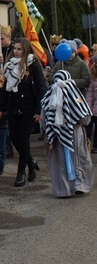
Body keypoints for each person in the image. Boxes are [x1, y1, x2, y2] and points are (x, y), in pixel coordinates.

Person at [41, 69, 93, 197]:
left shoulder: (49, 95)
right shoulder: (75, 94)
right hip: (75, 131)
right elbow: (85, 118)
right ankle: (79, 184)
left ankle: (62, 190)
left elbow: (43, 118)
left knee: (59, 161)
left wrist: (47, 130)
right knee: (78, 157)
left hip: (55, 133)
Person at [5, 37, 48, 187]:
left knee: (23, 139)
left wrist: (38, 110)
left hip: (28, 107)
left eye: (19, 49)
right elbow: (6, 89)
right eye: (14, 49)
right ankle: (30, 161)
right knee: (15, 139)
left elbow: (42, 88)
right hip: (13, 107)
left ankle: (21, 171)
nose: (16, 52)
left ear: (25, 50)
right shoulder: (9, 66)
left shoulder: (32, 65)